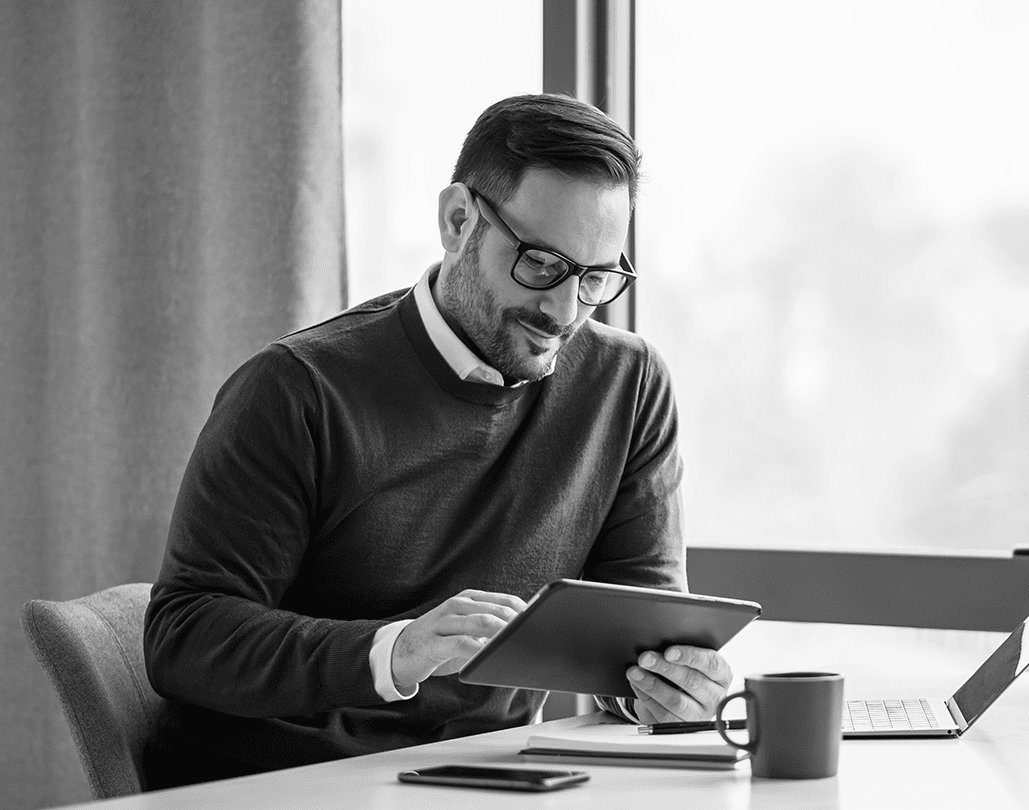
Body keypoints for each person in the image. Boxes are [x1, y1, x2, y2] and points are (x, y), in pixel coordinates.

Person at [143, 93, 731, 779]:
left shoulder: (628, 387)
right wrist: (395, 651)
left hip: (485, 778)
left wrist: (667, 689)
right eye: (541, 264)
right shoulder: (297, 389)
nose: (564, 311)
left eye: (596, 276)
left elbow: (634, 640)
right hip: (276, 782)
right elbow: (183, 637)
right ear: (458, 221)